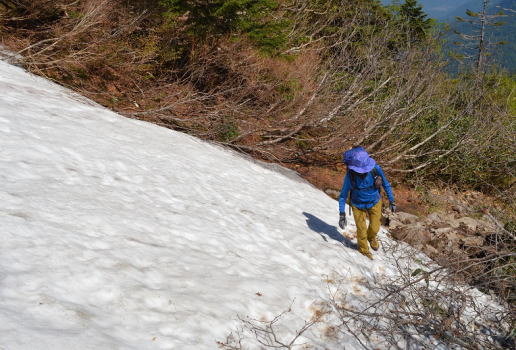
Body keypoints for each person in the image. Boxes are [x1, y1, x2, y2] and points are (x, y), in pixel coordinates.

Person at [338, 147, 395, 260]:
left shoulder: (375, 169)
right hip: (357, 205)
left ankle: (372, 237)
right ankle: (364, 251)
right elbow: (343, 194)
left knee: (375, 227)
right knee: (361, 231)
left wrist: (392, 200)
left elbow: (386, 184)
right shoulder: (351, 175)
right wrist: (342, 213)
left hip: (374, 201)